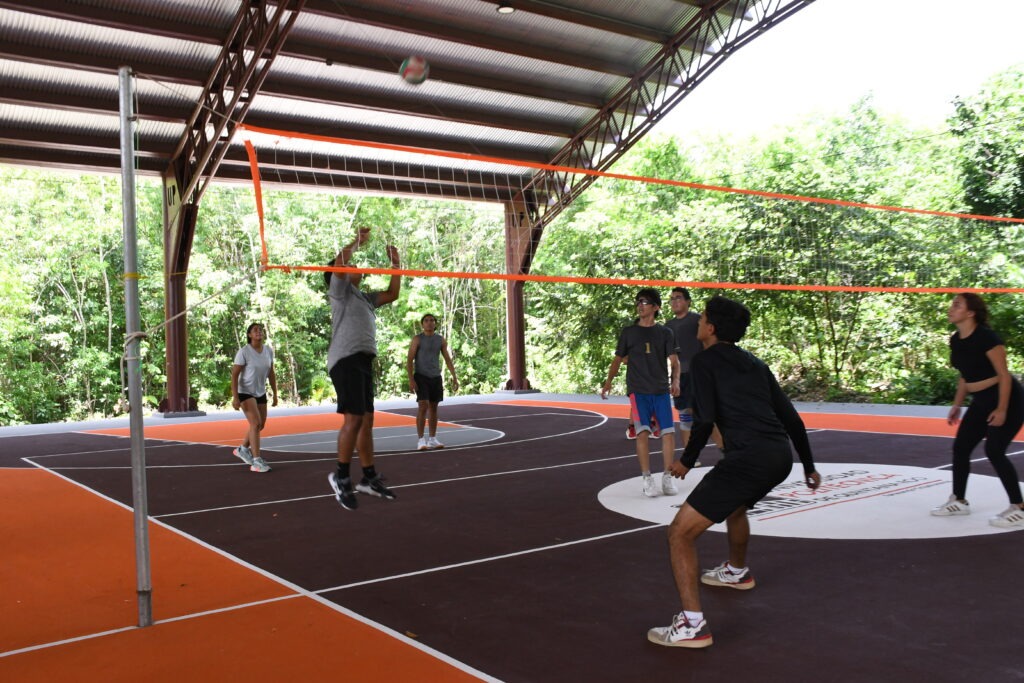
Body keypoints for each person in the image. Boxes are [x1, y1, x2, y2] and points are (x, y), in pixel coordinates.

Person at [648, 295, 820, 649]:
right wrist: (808, 465)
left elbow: (705, 419)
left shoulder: (705, 362)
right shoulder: (755, 363)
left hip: (748, 459)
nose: (698, 322)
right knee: (735, 505)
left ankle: (692, 626)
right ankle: (737, 571)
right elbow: (792, 419)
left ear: (710, 329)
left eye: (702, 319)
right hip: (778, 457)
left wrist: (686, 460)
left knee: (680, 534)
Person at [931, 293, 1024, 528]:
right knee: (961, 447)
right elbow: (965, 375)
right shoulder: (956, 339)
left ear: (971, 313)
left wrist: (1001, 409)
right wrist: (957, 404)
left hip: (1009, 400)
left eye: (957, 305)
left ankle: (1020, 507)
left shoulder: (987, 338)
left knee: (994, 450)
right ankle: (959, 501)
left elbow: (1004, 375)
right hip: (981, 400)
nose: (951, 308)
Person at [325, 226, 401, 510]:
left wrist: (396, 265)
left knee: (366, 421)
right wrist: (357, 242)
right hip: (345, 359)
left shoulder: (365, 298)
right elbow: (340, 263)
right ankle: (341, 476)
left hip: (363, 361)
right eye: (349, 267)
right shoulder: (340, 292)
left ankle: (368, 477)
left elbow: (392, 293)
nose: (355, 267)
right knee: (354, 419)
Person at [601, 288, 680, 498]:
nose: (639, 305)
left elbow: (674, 361)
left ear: (656, 307)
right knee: (642, 432)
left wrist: (676, 380)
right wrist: (608, 382)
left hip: (660, 389)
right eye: (638, 302)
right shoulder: (629, 332)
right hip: (638, 390)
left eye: (644, 302)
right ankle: (647, 478)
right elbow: (618, 359)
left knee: (668, 432)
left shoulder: (665, 333)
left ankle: (667, 476)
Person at [663, 287, 723, 458]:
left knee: (705, 415)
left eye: (678, 298)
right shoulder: (668, 327)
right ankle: (690, 456)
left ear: (688, 301)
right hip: (678, 377)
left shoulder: (698, 320)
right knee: (684, 415)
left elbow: (712, 344)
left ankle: (725, 448)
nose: (675, 301)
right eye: (672, 298)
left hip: (698, 375)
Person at [230, 322, 278, 473]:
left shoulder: (268, 351)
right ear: (249, 335)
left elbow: (271, 373)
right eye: (255, 330)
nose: (259, 331)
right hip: (245, 391)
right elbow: (234, 375)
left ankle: (243, 449)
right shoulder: (244, 352)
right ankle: (256, 461)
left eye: (260, 329)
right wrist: (235, 397)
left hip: (260, 392)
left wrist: (275, 394)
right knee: (255, 424)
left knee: (260, 425)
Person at [407, 313, 459, 450]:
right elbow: (409, 359)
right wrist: (411, 379)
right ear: (422, 324)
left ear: (435, 323)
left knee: (434, 408)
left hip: (435, 377)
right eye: (426, 320)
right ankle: (420, 440)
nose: (429, 322)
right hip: (421, 376)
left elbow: (447, 359)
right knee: (423, 405)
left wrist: (454, 377)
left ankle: (432, 439)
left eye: (431, 320)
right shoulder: (417, 339)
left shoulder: (440, 340)